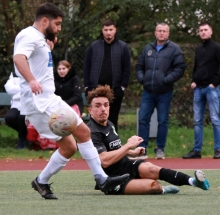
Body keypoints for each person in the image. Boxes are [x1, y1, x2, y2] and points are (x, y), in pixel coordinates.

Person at [13, 2, 129, 200]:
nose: (59, 28)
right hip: (40, 104)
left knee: (70, 147)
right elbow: (18, 58)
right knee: (84, 132)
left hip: (50, 99)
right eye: (57, 24)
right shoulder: (28, 35)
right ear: (44, 21)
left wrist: (48, 46)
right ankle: (102, 179)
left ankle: (41, 181)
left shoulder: (39, 38)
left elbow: (36, 59)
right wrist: (31, 80)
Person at [86, 85, 210, 195]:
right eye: (98, 106)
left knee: (152, 169)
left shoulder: (109, 124)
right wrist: (128, 146)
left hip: (125, 164)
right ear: (90, 110)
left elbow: (113, 148)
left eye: (106, 105)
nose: (103, 109)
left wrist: (132, 152)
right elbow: (104, 161)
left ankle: (193, 181)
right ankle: (162, 190)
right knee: (153, 186)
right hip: (112, 178)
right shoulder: (91, 132)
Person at [135, 22, 185, 159]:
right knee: (143, 119)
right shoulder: (147, 49)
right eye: (159, 30)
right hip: (148, 92)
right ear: (155, 32)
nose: (161, 33)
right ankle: (142, 149)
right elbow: (139, 67)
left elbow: (180, 68)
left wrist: (166, 80)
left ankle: (160, 149)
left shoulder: (175, 49)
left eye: (164, 31)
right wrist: (143, 79)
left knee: (163, 121)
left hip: (165, 92)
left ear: (168, 33)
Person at [83, 18, 131, 132]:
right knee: (95, 117)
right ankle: (96, 143)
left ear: (115, 30)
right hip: (95, 88)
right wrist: (87, 86)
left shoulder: (123, 47)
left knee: (112, 118)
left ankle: (113, 144)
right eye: (106, 30)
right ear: (102, 30)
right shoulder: (94, 46)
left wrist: (122, 87)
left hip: (115, 89)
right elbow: (86, 66)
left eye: (110, 29)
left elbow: (127, 68)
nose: (108, 32)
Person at [182, 22, 220, 159]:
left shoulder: (216, 48)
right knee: (197, 121)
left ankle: (218, 149)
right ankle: (197, 150)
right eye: (201, 30)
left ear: (211, 32)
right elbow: (196, 67)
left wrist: (214, 83)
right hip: (198, 89)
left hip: (212, 89)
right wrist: (194, 81)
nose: (203, 32)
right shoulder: (199, 49)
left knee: (215, 119)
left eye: (205, 30)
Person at [4, 72, 27, 149]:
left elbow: (31, 89)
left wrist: (17, 88)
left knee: (22, 117)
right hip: (16, 104)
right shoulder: (14, 74)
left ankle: (22, 140)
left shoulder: (33, 71)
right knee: (9, 118)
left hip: (28, 105)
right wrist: (23, 88)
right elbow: (8, 88)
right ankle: (27, 135)